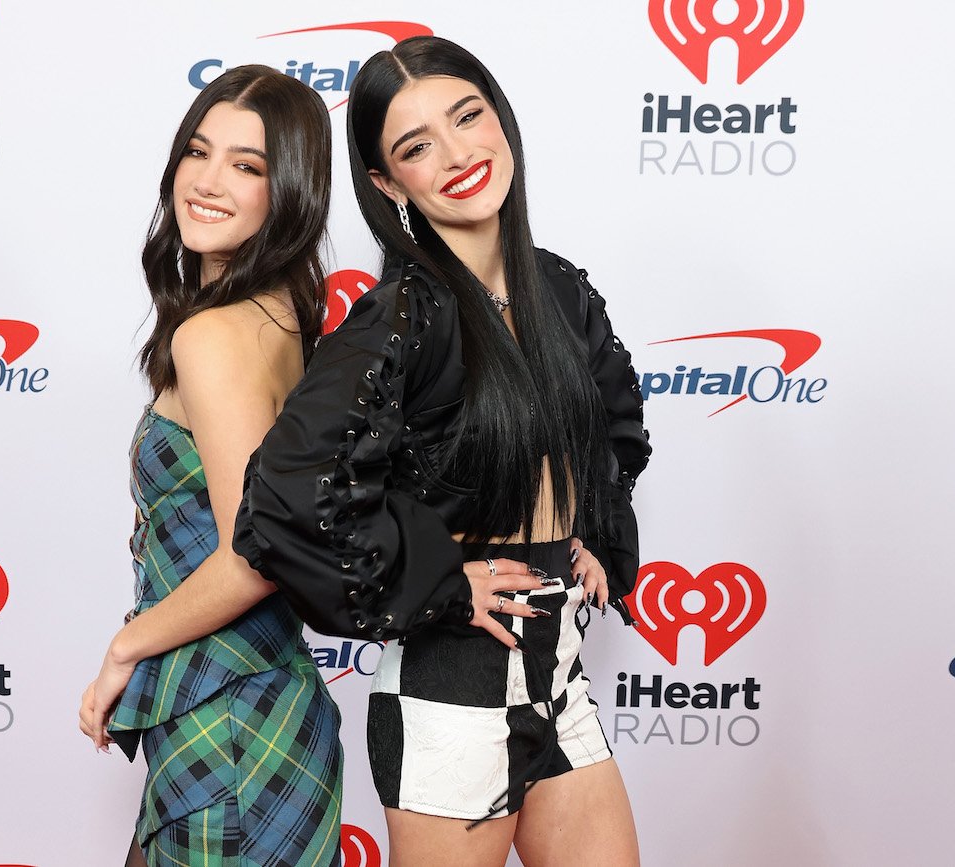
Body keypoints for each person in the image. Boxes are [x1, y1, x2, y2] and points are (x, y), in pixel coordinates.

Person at [232, 37, 650, 866]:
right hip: (451, 683)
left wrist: (599, 532)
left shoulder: (559, 288)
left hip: (557, 667)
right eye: (416, 146)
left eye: (469, 117)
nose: (457, 154)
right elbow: (288, 491)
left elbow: (611, 427)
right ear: (389, 184)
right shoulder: (401, 316)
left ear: (502, 122)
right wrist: (440, 580)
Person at [77, 65, 342, 867]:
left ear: (288, 189)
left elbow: (251, 555)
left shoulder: (215, 336)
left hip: (228, 728)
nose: (209, 180)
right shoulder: (283, 314)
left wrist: (126, 648)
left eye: (248, 165)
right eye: (199, 151)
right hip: (254, 711)